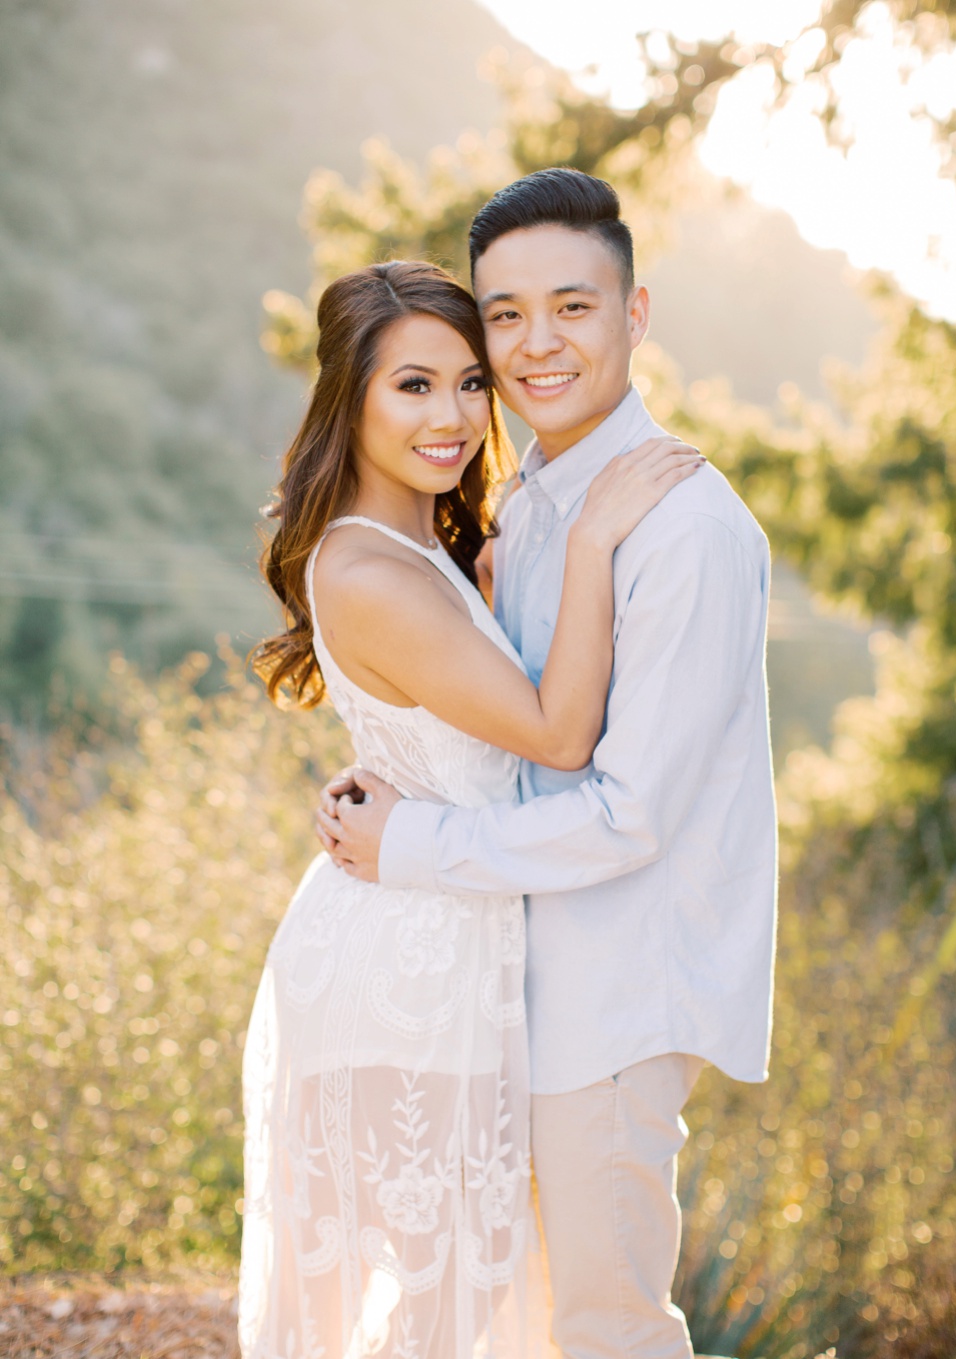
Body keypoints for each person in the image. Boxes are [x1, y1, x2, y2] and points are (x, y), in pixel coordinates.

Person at [316, 168, 778, 1359]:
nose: (536, 345)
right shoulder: (525, 507)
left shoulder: (682, 528)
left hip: (610, 994)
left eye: (572, 307)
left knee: (607, 1326)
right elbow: (505, 736)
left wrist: (409, 843)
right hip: (503, 978)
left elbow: (628, 814)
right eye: (505, 316)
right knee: (507, 1320)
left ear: (634, 313)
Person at [240, 258, 702, 1357]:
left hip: (444, 929)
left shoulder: (423, 549)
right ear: (349, 396)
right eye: (412, 386)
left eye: (468, 383)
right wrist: (591, 539)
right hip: (402, 966)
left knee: (465, 1294)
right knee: (438, 1302)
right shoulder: (370, 572)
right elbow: (557, 734)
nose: (450, 417)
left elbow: (448, 735)